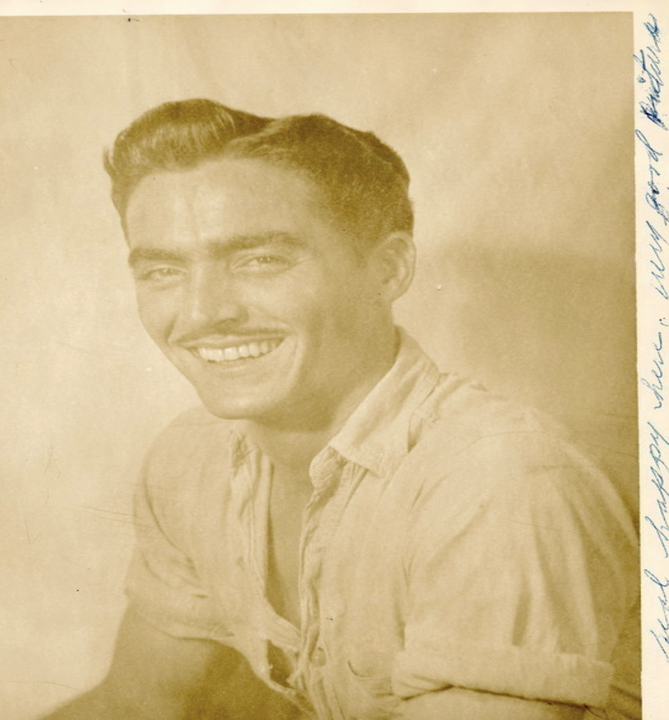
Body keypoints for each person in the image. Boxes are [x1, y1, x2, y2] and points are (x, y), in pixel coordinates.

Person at [43, 99, 637, 720]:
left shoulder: (501, 485)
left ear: (388, 269)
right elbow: (136, 707)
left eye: (259, 260)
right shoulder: (191, 458)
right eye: (164, 270)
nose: (199, 314)